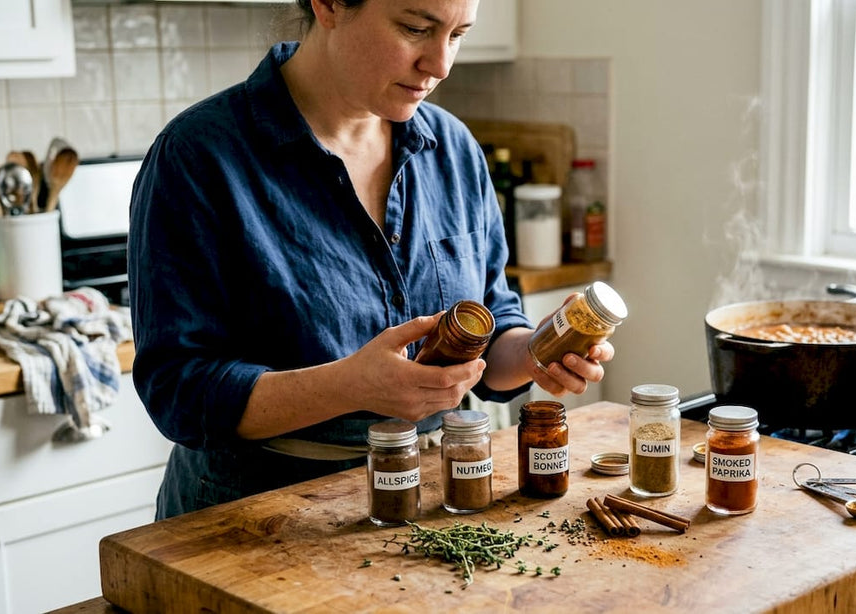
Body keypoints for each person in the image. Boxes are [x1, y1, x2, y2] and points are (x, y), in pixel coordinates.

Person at [128, 0, 615, 520]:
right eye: (415, 28)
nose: (441, 65)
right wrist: (350, 387)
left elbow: (491, 329)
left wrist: (538, 351)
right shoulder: (198, 156)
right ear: (329, 5)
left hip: (434, 498)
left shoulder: (453, 149)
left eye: (457, 35)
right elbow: (179, 391)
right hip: (258, 514)